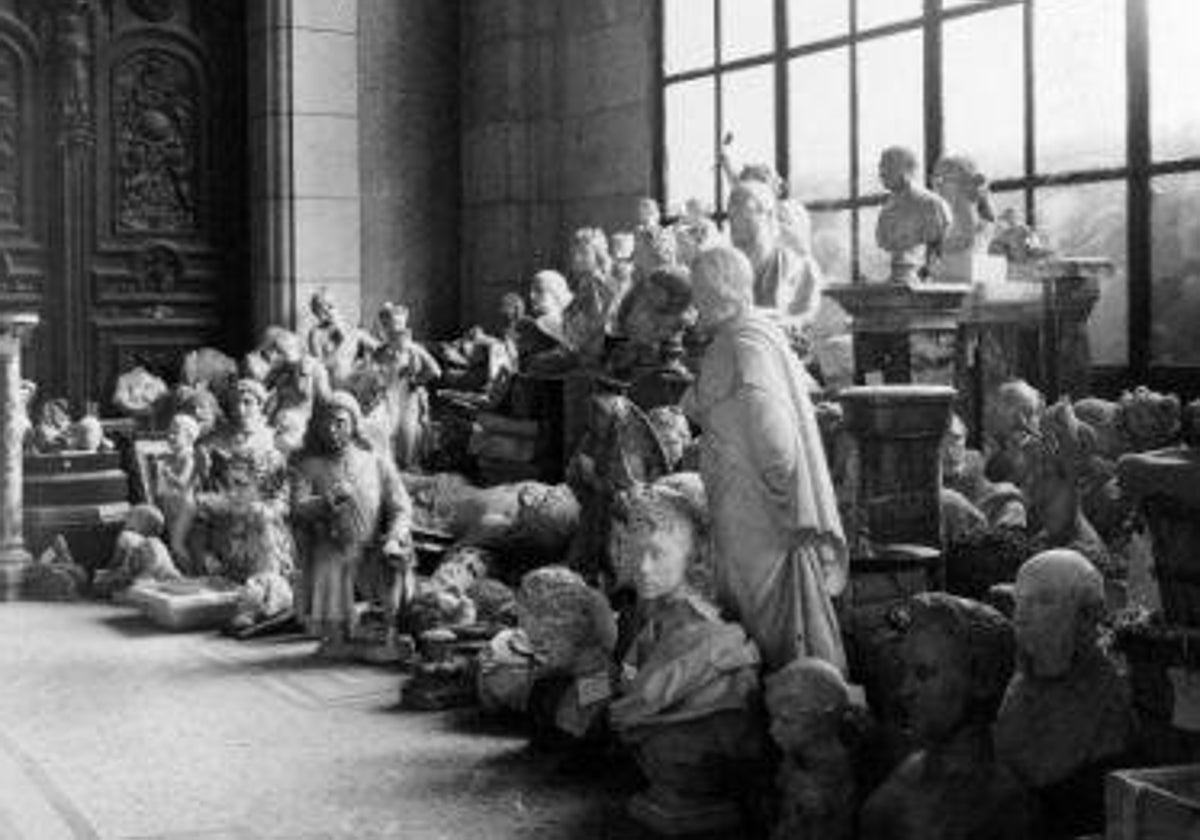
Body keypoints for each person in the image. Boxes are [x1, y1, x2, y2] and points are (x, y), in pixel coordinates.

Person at [682, 246, 847, 673]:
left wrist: (776, 492)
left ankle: (781, 689)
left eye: (699, 290)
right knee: (754, 600)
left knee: (759, 603)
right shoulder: (745, 337)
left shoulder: (743, 344)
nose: (694, 301)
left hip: (753, 503)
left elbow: (773, 430)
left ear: (719, 290)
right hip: (744, 494)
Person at [291, 392, 416, 659]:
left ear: (354, 423)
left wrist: (394, 536)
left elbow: (402, 507)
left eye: (339, 422)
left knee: (393, 560)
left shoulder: (376, 462)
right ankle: (336, 635)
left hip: (374, 544)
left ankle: (389, 634)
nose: (332, 429)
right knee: (330, 559)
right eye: (325, 423)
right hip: (334, 543)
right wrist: (325, 501)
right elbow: (297, 509)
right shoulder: (308, 466)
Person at [728, 180, 824, 354]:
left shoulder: (799, 265)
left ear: (768, 215)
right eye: (731, 213)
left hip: (781, 356)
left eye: (744, 211)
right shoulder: (726, 267)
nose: (735, 220)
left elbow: (807, 318)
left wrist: (780, 322)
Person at [875, 146, 952, 283]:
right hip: (894, 283)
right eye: (881, 166)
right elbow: (884, 244)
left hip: (923, 283)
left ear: (907, 169)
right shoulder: (885, 212)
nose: (881, 173)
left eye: (887, 166)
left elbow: (943, 250)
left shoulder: (931, 204)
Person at [306, 290, 378, 389]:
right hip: (332, 382)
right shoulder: (316, 333)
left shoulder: (351, 329)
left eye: (330, 306)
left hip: (353, 377)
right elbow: (319, 365)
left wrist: (365, 362)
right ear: (315, 312)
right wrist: (340, 345)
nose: (326, 311)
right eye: (320, 308)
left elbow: (378, 348)